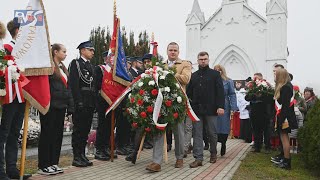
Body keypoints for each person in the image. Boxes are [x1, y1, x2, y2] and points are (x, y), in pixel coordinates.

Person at [145, 42, 192, 172]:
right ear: (167, 51)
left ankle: (179, 157)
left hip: (177, 103)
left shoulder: (185, 64)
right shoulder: (161, 65)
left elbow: (186, 79)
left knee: (179, 132)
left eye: (175, 50)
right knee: (159, 131)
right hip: (162, 102)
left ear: (178, 52)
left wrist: (170, 73)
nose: (173, 52)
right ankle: (156, 162)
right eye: (170, 50)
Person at [0, 18, 32, 180]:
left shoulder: (26, 52)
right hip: (10, 96)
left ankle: (12, 169)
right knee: (4, 133)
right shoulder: (6, 48)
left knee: (14, 133)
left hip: (23, 96)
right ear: (18, 31)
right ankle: (1, 170)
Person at [38, 44, 74, 175]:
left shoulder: (63, 68)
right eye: (63, 51)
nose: (65, 54)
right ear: (55, 52)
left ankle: (53, 163)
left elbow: (68, 89)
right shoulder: (49, 67)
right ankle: (43, 165)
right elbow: (44, 87)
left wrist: (70, 106)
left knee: (57, 136)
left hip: (61, 106)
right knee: (47, 134)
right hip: (50, 106)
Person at [187, 51, 225, 168]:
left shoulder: (215, 74)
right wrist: (188, 105)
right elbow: (189, 93)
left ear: (208, 60)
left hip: (211, 109)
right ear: (197, 61)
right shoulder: (194, 76)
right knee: (197, 134)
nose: (203, 61)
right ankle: (198, 158)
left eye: (205, 59)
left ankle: (213, 153)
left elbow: (220, 92)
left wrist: (220, 106)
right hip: (197, 110)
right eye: (201, 59)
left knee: (212, 133)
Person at [68, 41, 96, 167]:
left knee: (85, 130)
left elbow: (93, 86)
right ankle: (76, 156)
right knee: (78, 130)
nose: (92, 52)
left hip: (89, 102)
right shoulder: (76, 64)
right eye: (90, 50)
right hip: (81, 101)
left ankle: (82, 155)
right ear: (82, 50)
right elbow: (73, 85)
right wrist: (77, 102)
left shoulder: (91, 66)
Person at [273, 68, 297, 169]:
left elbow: (285, 106)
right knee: (284, 138)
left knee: (285, 139)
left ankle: (287, 162)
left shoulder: (286, 87)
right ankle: (285, 159)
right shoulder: (285, 86)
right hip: (283, 116)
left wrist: (281, 119)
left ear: (280, 75)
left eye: (276, 74)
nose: (274, 76)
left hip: (285, 118)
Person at [213, 65, 238, 156]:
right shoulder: (212, 81)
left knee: (223, 126)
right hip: (213, 105)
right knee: (213, 126)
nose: (218, 72)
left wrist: (233, 107)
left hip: (225, 105)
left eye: (219, 70)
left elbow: (232, 94)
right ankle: (213, 147)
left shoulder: (228, 81)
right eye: (215, 70)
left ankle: (223, 143)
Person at [245, 73, 273, 153]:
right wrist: (255, 95)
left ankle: (267, 147)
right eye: (254, 78)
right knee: (256, 130)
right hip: (254, 112)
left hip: (264, 112)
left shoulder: (266, 86)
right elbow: (247, 97)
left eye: (256, 78)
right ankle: (257, 147)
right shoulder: (252, 87)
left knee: (266, 130)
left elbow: (271, 98)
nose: (255, 80)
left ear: (261, 78)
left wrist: (262, 95)